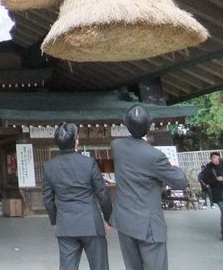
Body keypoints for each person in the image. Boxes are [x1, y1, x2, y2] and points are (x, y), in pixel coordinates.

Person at [111, 105, 188, 270]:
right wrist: (173, 168)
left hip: (125, 220)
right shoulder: (155, 156)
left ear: (126, 124)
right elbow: (180, 182)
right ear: (149, 125)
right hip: (148, 224)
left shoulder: (116, 146)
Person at [42, 122, 112, 270]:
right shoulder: (88, 163)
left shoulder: (49, 167)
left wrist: (55, 219)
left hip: (66, 224)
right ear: (76, 142)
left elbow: (47, 199)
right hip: (91, 223)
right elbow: (102, 193)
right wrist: (108, 218)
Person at [203, 151, 223, 239]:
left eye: (217, 157)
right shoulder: (208, 168)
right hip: (217, 194)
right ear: (210, 159)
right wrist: (216, 179)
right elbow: (206, 181)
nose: (216, 159)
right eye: (214, 158)